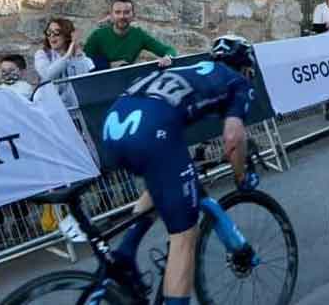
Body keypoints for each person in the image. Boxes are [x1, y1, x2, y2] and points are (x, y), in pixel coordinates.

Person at [101, 35, 258, 305]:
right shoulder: (238, 82)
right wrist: (242, 176)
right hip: (152, 133)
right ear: (245, 67)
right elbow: (234, 137)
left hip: (112, 127)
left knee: (162, 182)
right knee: (185, 235)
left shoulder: (191, 69)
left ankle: (126, 251)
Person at [84, 0, 177, 70]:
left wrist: (168, 57)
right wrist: (108, 65)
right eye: (118, 12)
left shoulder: (139, 35)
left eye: (127, 12)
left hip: (125, 80)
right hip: (99, 81)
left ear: (133, 15)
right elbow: (82, 62)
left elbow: (169, 50)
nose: (122, 16)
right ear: (111, 15)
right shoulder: (98, 35)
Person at [34, 18, 95, 107]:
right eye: (48, 32)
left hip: (75, 109)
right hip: (52, 109)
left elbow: (83, 81)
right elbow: (47, 74)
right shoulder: (42, 54)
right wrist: (67, 55)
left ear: (67, 35)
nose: (52, 36)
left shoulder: (78, 56)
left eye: (57, 32)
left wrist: (76, 50)